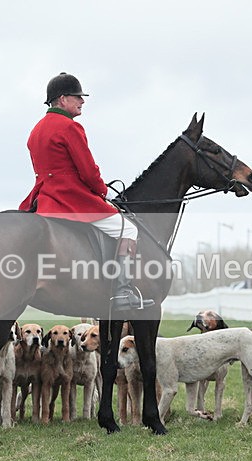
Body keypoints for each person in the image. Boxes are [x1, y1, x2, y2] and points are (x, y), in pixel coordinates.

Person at [19, 72, 153, 311]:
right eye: (77, 97)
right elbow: (88, 171)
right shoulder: (70, 127)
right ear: (62, 99)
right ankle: (122, 291)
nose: (82, 101)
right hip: (70, 197)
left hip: (43, 198)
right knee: (128, 228)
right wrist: (103, 192)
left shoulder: (35, 130)